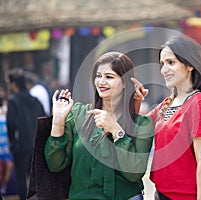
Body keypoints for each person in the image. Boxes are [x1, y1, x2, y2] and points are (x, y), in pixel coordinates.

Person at [44, 52, 154, 200]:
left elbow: (134, 174)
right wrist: (58, 122)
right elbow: (55, 165)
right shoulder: (78, 114)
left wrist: (116, 132)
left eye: (109, 77)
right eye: (98, 76)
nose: (101, 82)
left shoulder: (141, 124)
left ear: (125, 83)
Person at [132, 35, 201, 200]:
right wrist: (137, 101)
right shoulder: (168, 103)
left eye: (171, 62)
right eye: (162, 64)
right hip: (161, 193)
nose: (164, 70)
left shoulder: (199, 103)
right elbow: (139, 127)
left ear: (190, 65)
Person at [5, 68, 45, 200]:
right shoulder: (35, 100)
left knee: (21, 179)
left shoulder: (13, 101)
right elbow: (44, 118)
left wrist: (12, 142)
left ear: (13, 84)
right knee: (35, 178)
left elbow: (11, 122)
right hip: (35, 144)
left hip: (20, 146)